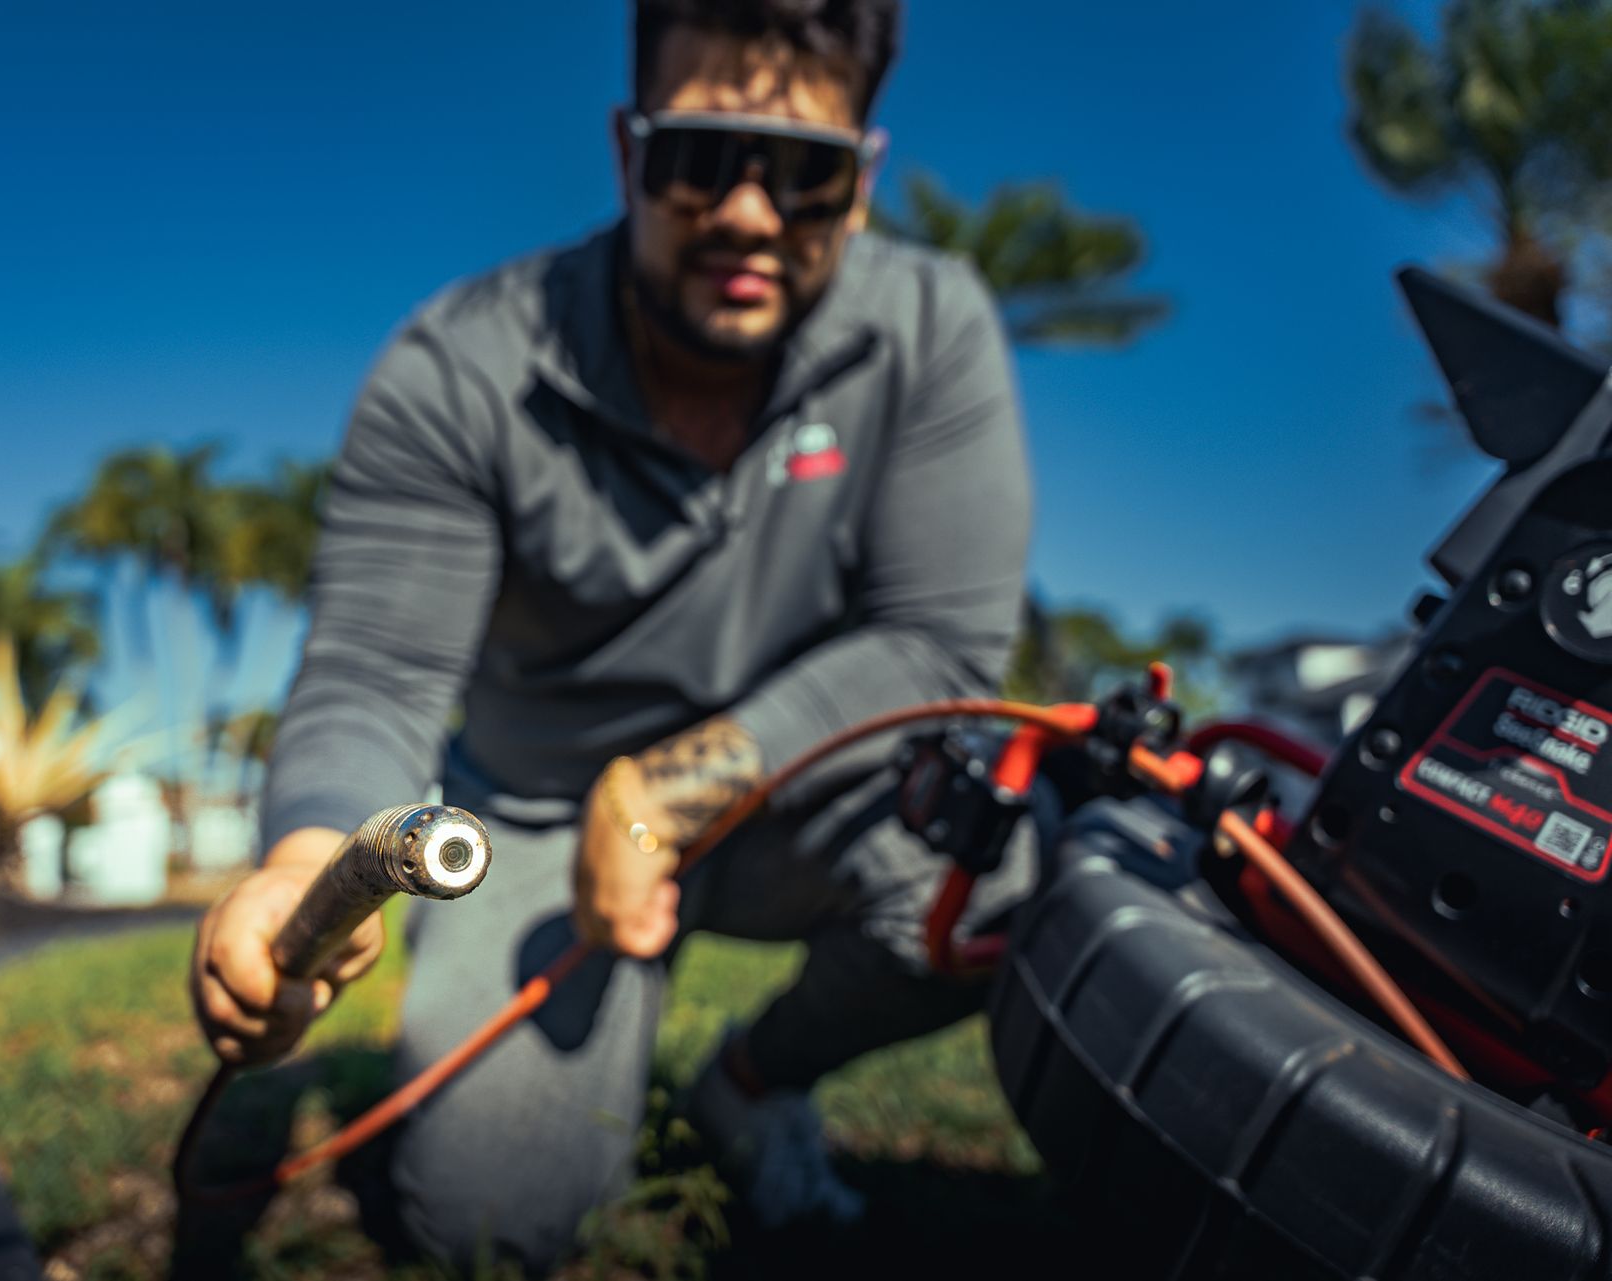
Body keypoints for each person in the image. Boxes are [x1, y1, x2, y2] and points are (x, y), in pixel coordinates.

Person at [188, 0, 1032, 1271]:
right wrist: (311, 855)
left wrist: (659, 801)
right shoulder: (459, 366)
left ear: (861, 186)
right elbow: (379, 670)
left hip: (786, 801)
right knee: (485, 1220)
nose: (749, 215)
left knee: (1008, 874)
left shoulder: (931, 330)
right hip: (524, 819)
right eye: (700, 157)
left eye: (803, 171)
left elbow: (941, 647)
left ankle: (753, 1080)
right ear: (628, 151)